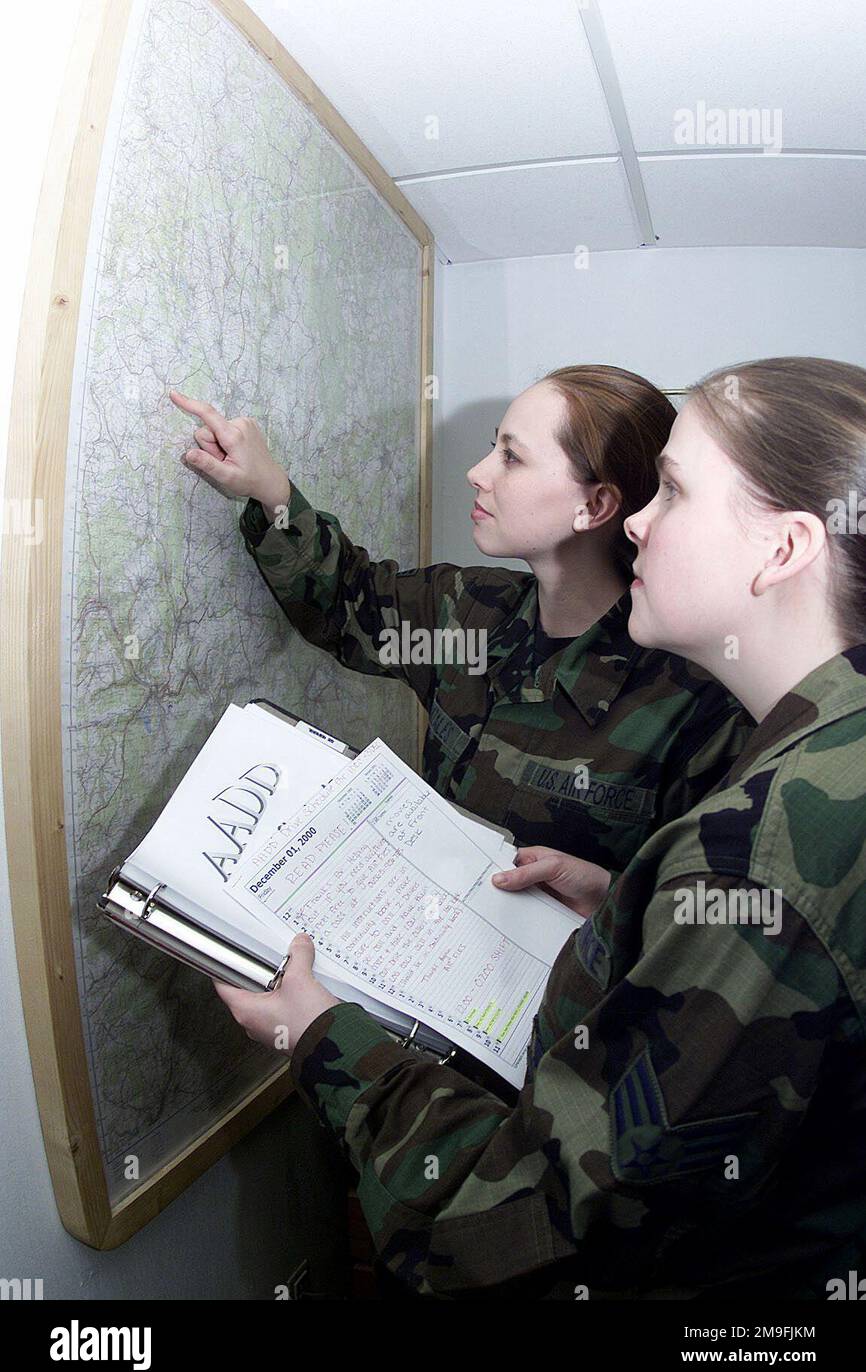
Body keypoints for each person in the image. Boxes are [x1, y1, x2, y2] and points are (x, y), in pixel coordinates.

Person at [212, 356, 866, 1299]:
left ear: (785, 548)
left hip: (508, 1110)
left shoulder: (743, 805)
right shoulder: (474, 617)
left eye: (674, 493)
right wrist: (626, 902)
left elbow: (544, 1220)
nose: (646, 521)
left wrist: (321, 1039)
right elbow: (347, 594)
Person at [170, 366, 752, 876]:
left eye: (511, 457)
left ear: (595, 506)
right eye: (491, 447)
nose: (478, 472)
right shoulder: (469, 607)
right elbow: (342, 599)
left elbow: (701, 912)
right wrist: (269, 489)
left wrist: (610, 898)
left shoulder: (696, 703)